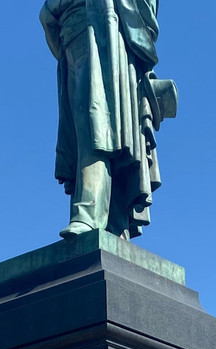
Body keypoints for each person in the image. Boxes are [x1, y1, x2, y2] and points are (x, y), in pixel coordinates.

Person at [39, 0, 176, 240]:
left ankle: (90, 214)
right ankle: (109, 220)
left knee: (98, 125)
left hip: (107, 32)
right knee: (89, 129)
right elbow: (47, 18)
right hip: (75, 36)